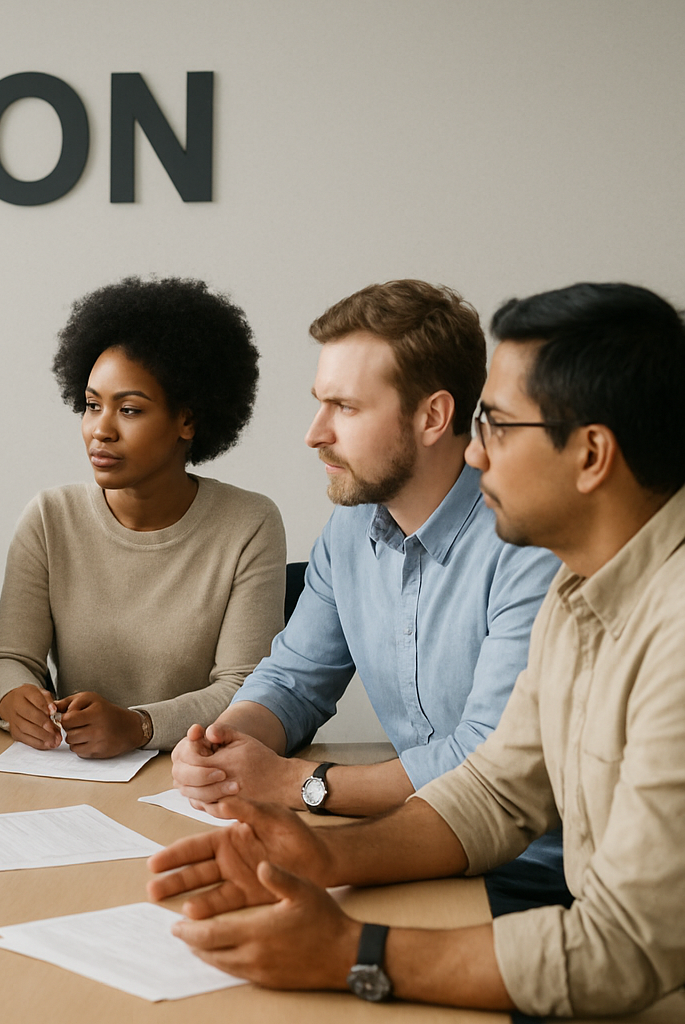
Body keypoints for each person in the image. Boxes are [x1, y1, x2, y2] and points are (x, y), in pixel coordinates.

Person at [148, 282, 685, 1018]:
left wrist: (351, 952)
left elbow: (623, 949)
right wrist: (325, 856)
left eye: (495, 425)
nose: (475, 451)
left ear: (590, 454)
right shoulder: (582, 586)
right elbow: (497, 789)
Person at [166, 280, 564, 899]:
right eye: (320, 403)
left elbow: (486, 759)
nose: (315, 433)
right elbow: (294, 679)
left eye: (345, 408)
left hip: (534, 869)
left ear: (433, 416)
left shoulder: (529, 542)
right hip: (409, 845)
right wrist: (226, 742)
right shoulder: (350, 527)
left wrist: (298, 783)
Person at [0, 276, 285, 758]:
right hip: (73, 777)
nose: (101, 430)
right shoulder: (50, 518)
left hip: (191, 774)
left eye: (129, 409)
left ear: (187, 420)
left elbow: (244, 688)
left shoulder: (249, 524)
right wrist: (13, 699)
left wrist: (139, 725)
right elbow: (6, 659)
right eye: (92, 405)